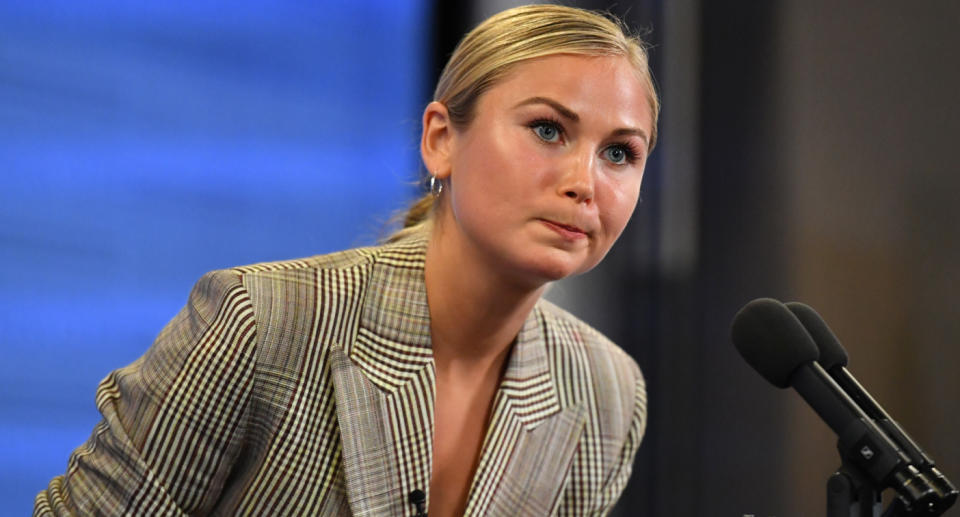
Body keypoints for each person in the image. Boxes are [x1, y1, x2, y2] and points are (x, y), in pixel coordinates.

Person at [34, 4, 659, 516]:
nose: (585, 182)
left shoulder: (606, 391)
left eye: (620, 154)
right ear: (441, 140)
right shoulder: (262, 323)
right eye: (549, 130)